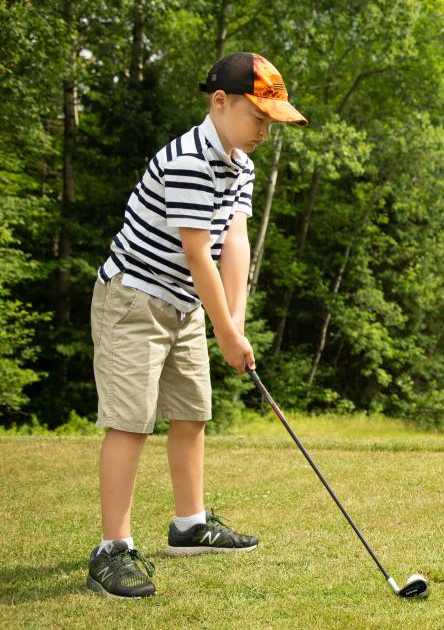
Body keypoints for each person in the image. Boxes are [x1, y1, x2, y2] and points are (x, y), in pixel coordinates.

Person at [86, 52, 308, 599]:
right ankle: (112, 549)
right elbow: (195, 254)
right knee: (130, 421)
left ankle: (189, 524)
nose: (264, 130)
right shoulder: (188, 159)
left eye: (271, 121)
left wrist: (235, 320)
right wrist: (227, 335)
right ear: (219, 103)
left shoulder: (241, 163)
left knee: (191, 413)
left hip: (183, 305)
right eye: (259, 118)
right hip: (133, 299)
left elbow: (233, 240)